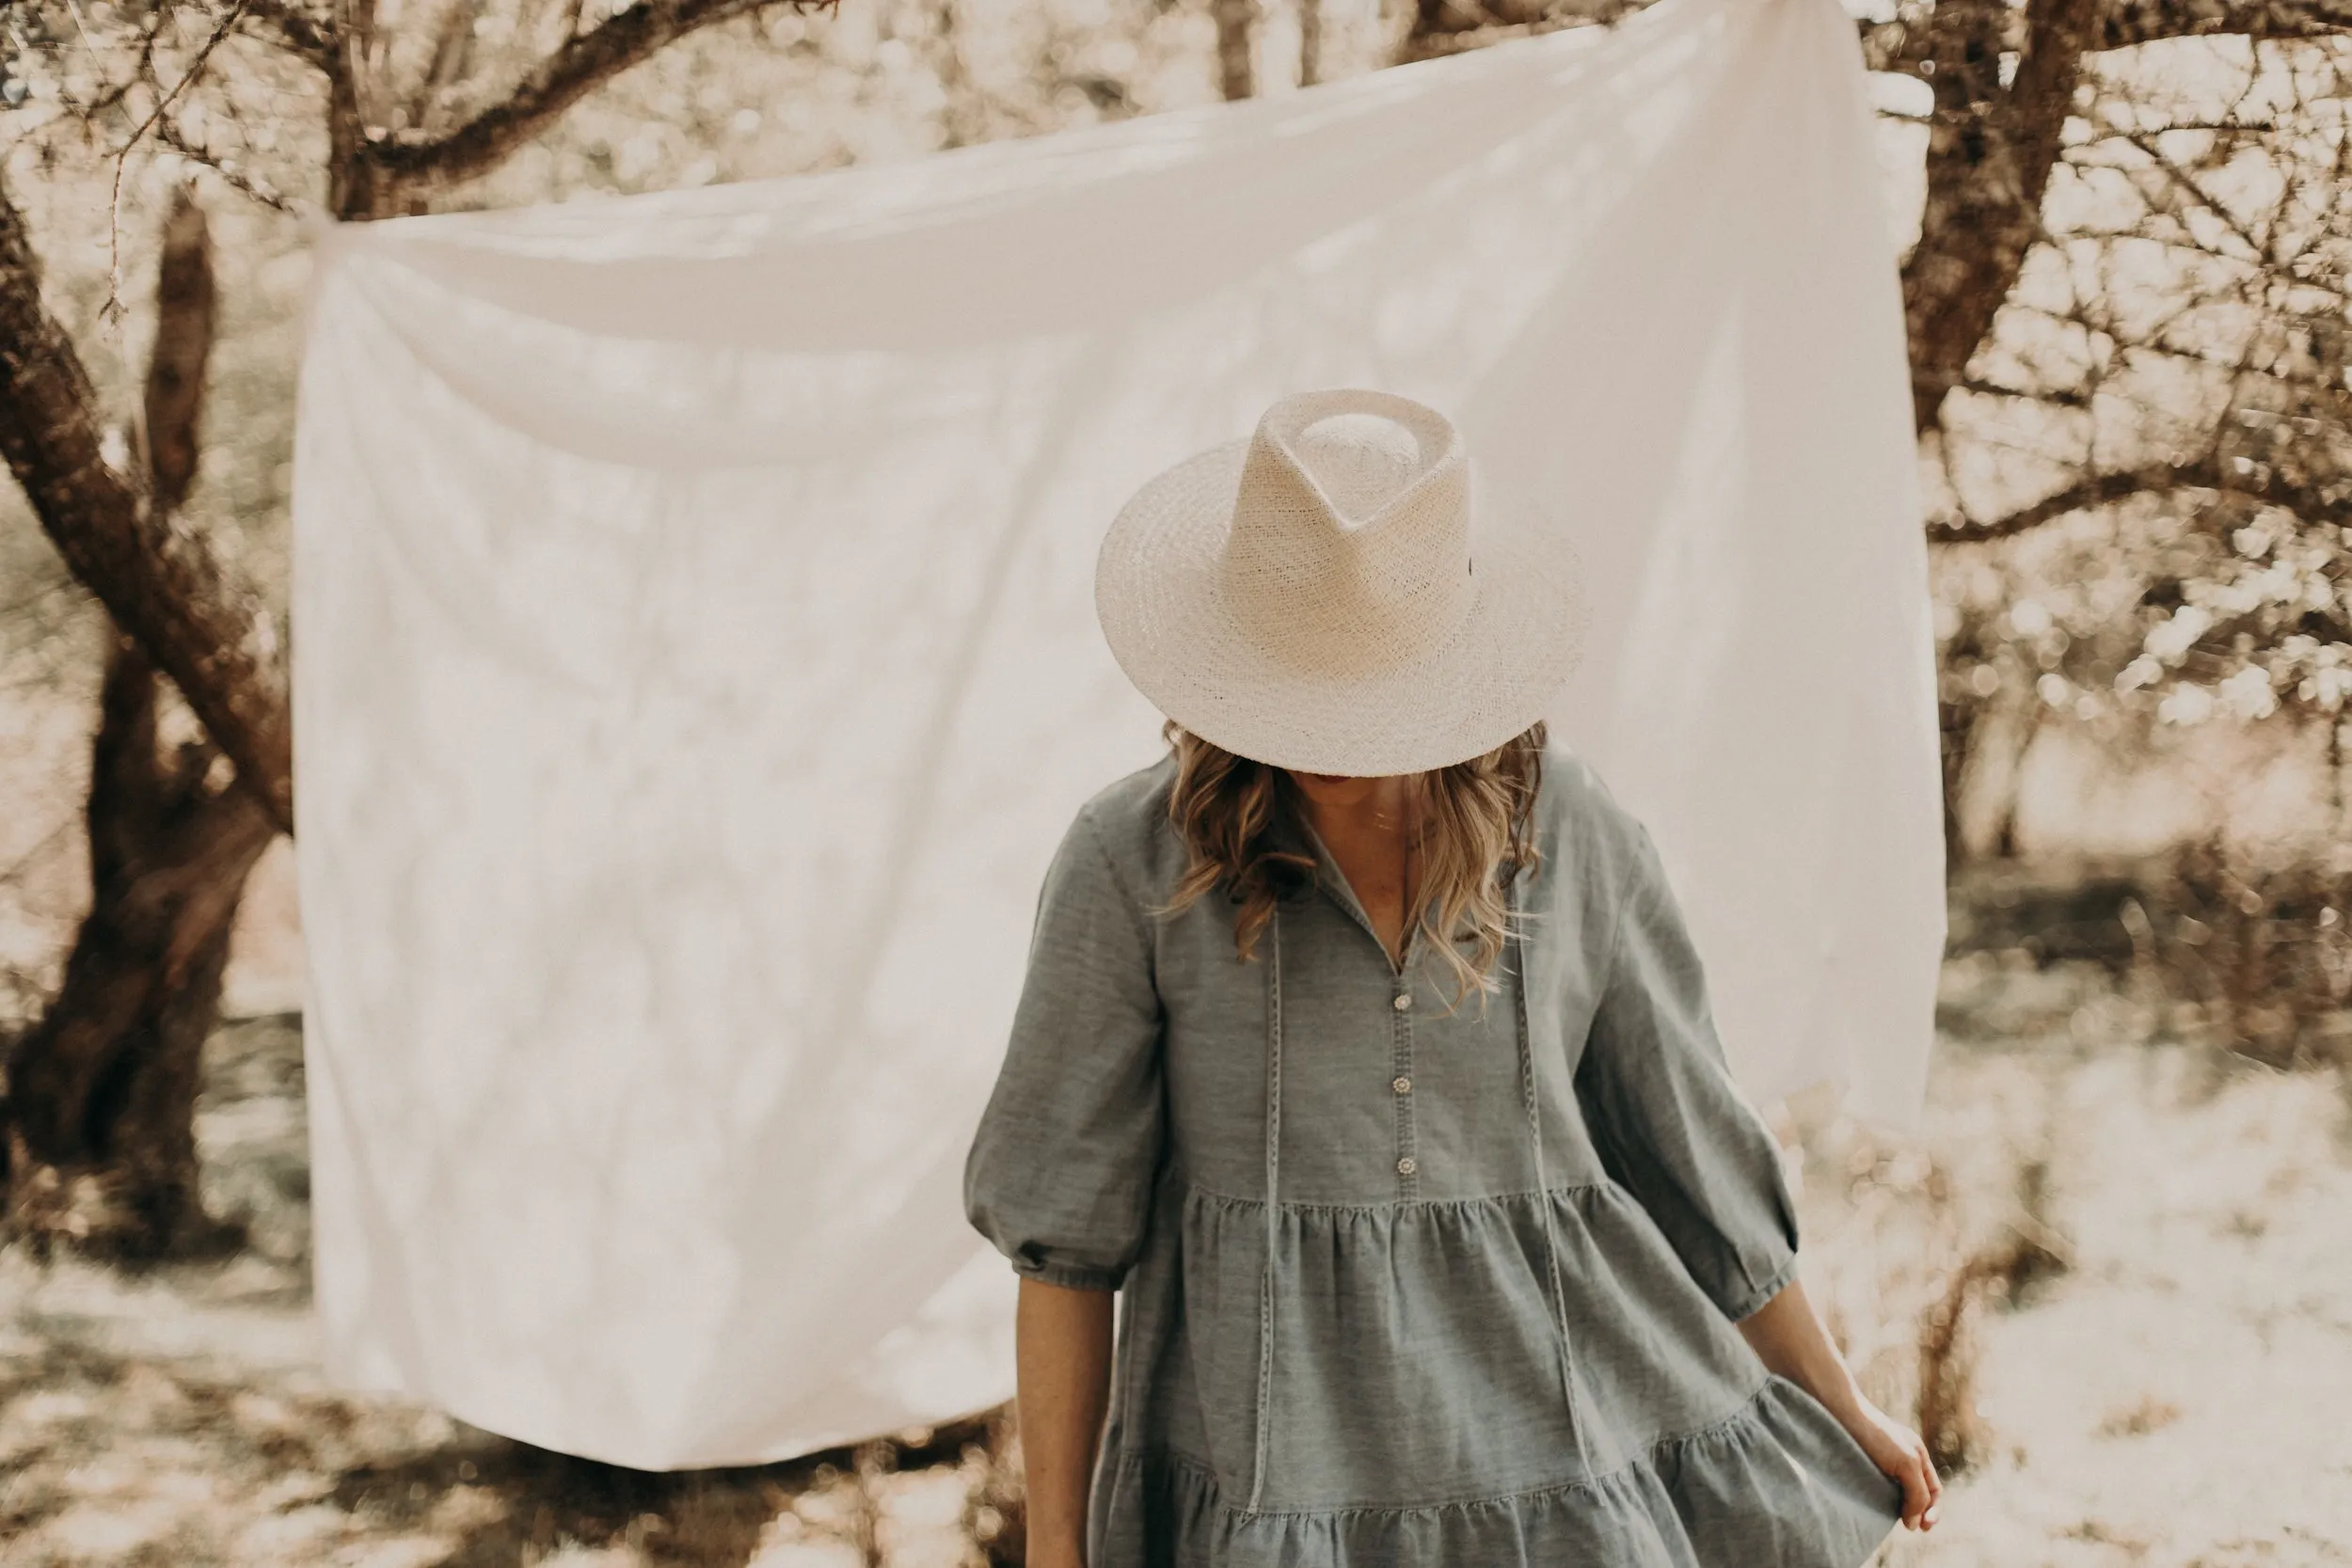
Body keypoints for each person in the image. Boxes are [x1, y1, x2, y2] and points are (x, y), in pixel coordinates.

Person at [961, 388, 1941, 1566]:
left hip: (1563, 1457)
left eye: (1363, 687)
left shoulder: (1572, 833)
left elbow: (1693, 1162)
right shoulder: (1131, 860)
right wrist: (1055, 1549)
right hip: (1271, 1478)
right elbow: (1063, 1248)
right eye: (1299, 682)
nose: (1326, 735)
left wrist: (1839, 1401)